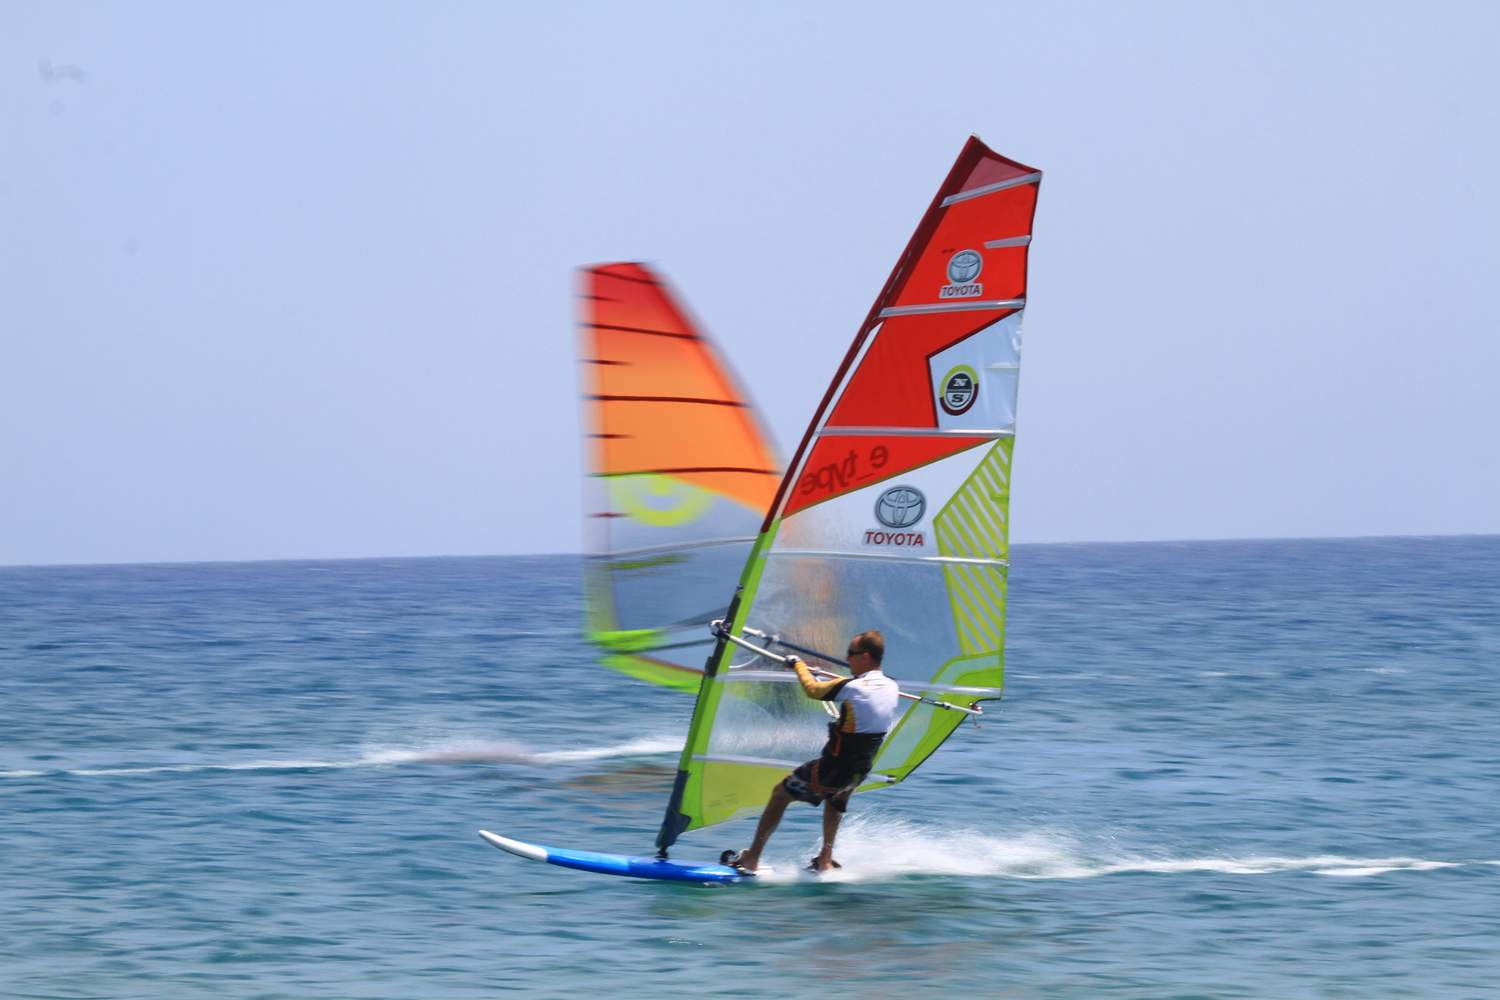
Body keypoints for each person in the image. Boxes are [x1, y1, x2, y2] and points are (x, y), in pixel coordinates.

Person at [726, 630, 900, 874]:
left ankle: (751, 858)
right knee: (835, 800)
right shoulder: (891, 686)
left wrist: (798, 665)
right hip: (858, 771)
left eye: (851, 653)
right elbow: (857, 699)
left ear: (865, 657)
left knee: (780, 794)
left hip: (833, 768)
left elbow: (812, 690)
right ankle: (825, 859)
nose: (847, 658)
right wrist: (819, 676)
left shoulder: (853, 687)